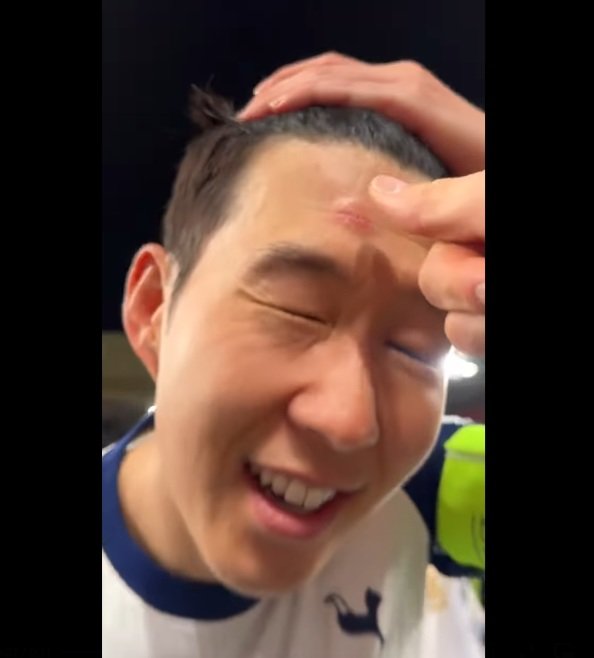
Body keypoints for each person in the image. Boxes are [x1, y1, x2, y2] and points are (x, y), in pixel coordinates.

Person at [102, 54, 485, 658]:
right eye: (297, 311)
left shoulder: (432, 487)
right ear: (153, 310)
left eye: (414, 349)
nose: (349, 422)